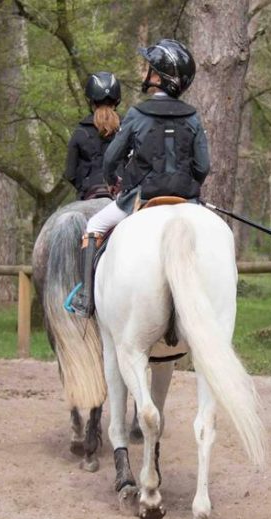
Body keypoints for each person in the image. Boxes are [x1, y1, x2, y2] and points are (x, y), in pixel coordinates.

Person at [68, 38, 211, 318]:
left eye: (151, 69)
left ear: (159, 78)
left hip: (140, 198)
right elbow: (203, 166)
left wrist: (113, 182)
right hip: (186, 200)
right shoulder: (193, 117)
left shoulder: (137, 113)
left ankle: (85, 298)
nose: (147, 72)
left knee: (94, 226)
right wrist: (187, 186)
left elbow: (111, 160)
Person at [64, 71, 122, 200]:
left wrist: (84, 186)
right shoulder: (129, 128)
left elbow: (70, 174)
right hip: (122, 192)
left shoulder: (80, 132)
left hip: (89, 192)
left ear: (90, 100)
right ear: (117, 99)